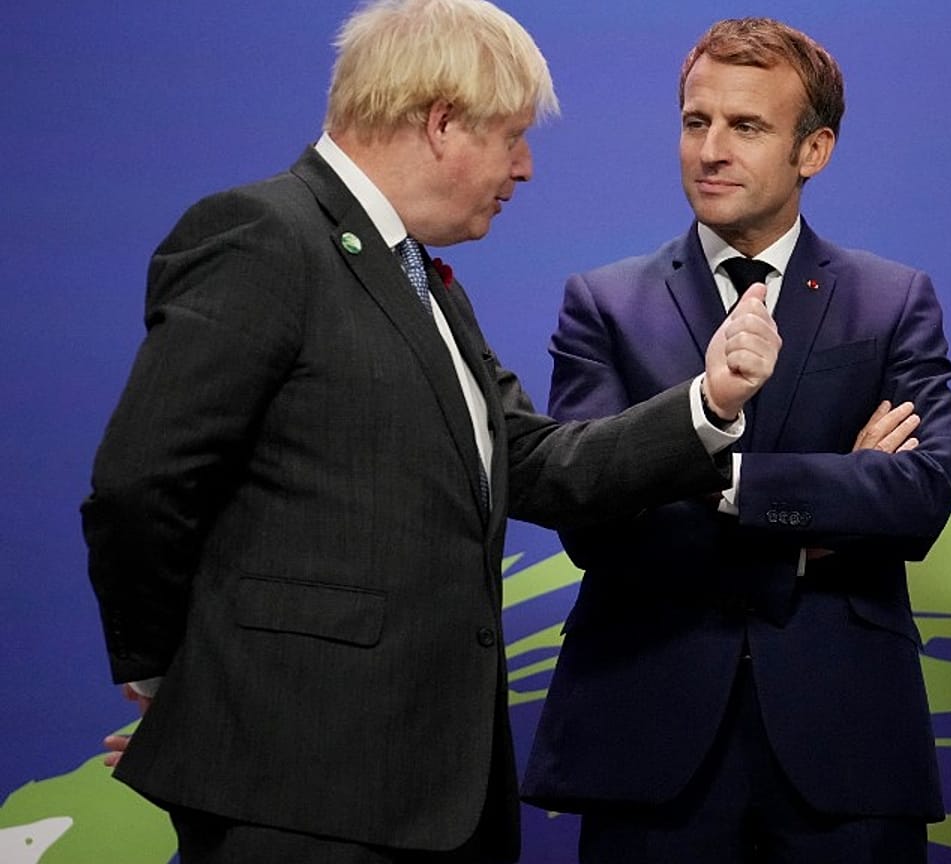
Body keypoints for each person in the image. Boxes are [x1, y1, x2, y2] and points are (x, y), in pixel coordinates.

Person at [80, 0, 781, 861]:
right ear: (442, 121)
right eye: (513, 137)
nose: (523, 169)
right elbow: (142, 484)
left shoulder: (423, 279)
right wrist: (176, 676)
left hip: (425, 795)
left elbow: (533, 459)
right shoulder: (265, 236)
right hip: (298, 791)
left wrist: (707, 404)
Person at [520, 18, 951, 864]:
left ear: (815, 150)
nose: (711, 150)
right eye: (697, 122)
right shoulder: (604, 304)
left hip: (846, 748)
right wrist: (820, 515)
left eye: (747, 127)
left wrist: (721, 485)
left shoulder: (891, 299)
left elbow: (920, 497)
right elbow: (591, 514)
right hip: (649, 743)